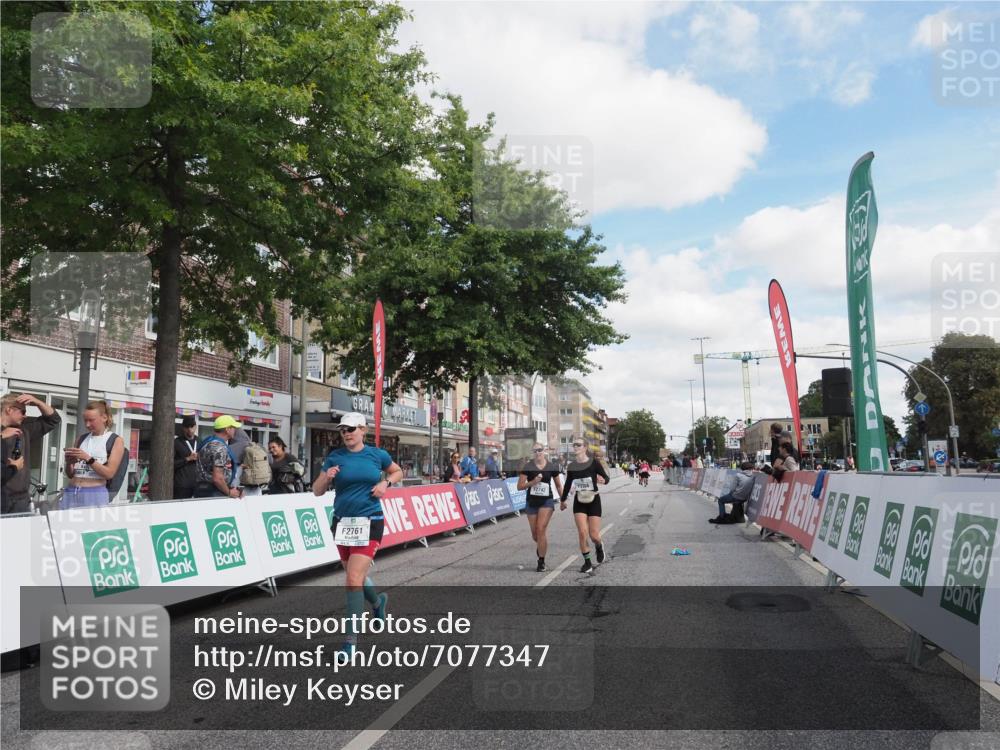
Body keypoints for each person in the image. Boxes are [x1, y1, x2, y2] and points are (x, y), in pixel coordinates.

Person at [312, 412, 403, 661]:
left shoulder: (377, 455)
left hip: (370, 521)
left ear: (363, 429)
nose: (347, 434)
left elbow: (397, 472)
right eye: (343, 430)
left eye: (351, 429)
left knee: (353, 578)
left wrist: (386, 484)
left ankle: (350, 643)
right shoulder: (335, 457)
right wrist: (325, 476)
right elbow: (317, 491)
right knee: (357, 577)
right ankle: (377, 603)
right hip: (342, 523)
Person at [1, 393, 61, 514]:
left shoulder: (24, 430)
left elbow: (53, 419)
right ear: (9, 410)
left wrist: (37, 402)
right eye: (22, 412)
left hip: (21, 500)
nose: (25, 416)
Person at [561, 438, 611, 574]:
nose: (575, 447)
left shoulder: (593, 463)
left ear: (585, 447)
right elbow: (567, 484)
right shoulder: (571, 466)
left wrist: (603, 480)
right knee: (582, 533)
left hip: (594, 500)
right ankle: (587, 562)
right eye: (574, 445)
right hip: (579, 501)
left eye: (578, 445)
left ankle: (599, 546)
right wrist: (563, 500)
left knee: (594, 535)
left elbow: (606, 478)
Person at [63, 400, 126, 508]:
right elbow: (70, 474)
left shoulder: (115, 440)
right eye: (85, 420)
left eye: (91, 420)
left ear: (104, 418)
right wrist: (69, 463)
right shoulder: (81, 439)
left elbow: (109, 473)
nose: (87, 424)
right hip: (72, 490)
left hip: (95, 492)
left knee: (92, 524)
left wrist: (88, 458)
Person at [517, 443, 564, 572]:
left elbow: (559, 485)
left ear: (545, 451)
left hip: (546, 501)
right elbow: (519, 486)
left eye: (540, 450)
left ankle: (541, 561)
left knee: (541, 529)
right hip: (531, 502)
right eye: (535, 450)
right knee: (535, 535)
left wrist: (563, 500)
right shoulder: (528, 466)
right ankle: (541, 547)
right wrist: (533, 482)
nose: (538, 452)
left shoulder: (552, 466)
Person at [194, 416, 242, 498]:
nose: (235, 430)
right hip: (215, 491)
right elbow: (217, 478)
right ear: (227, 429)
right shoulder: (219, 447)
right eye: (233, 427)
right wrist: (229, 492)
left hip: (204, 489)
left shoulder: (208, 442)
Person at [173, 415, 200, 499]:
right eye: (187, 427)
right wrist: (188, 459)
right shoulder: (177, 442)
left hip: (198, 484)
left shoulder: (200, 441)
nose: (190, 430)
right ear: (183, 428)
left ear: (195, 427)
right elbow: (170, 464)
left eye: (192, 427)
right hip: (182, 486)